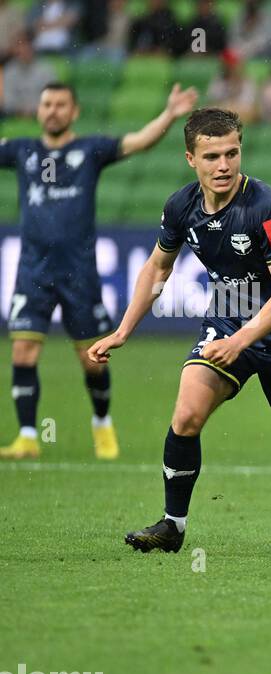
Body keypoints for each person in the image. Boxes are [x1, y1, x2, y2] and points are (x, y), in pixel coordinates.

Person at [87, 108, 271, 554]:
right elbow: (157, 268)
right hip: (225, 318)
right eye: (211, 157)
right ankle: (173, 525)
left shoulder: (267, 208)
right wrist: (124, 329)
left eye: (231, 153)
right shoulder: (181, 206)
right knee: (186, 415)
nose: (223, 166)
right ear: (191, 158)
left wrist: (243, 340)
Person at [0, 81, 199, 462]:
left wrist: (170, 115)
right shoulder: (22, 151)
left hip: (79, 275)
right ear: (38, 111)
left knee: (91, 360)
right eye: (47, 104)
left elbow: (139, 141)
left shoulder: (89, 150)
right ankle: (27, 436)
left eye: (61, 104)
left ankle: (102, 421)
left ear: (74, 112)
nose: (53, 110)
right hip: (32, 272)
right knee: (23, 352)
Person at [2, 33, 56, 118]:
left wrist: (34, 110)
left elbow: (53, 95)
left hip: (42, 115)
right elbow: (7, 100)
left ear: (33, 48)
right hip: (14, 116)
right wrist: (20, 110)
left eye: (27, 47)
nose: (24, 50)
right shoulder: (8, 71)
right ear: (15, 50)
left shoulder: (46, 69)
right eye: (20, 47)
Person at [208, 48, 259, 121]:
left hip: (242, 120)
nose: (230, 67)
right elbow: (211, 105)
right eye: (227, 64)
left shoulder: (247, 82)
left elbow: (252, 111)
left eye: (232, 64)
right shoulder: (219, 81)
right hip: (222, 119)